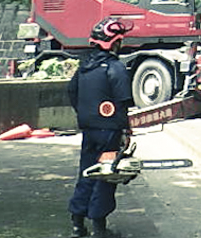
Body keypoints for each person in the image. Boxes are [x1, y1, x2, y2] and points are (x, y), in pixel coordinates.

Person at [68, 17, 135, 238]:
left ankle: (78, 224)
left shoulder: (84, 67)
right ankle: (99, 227)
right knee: (106, 176)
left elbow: (72, 91)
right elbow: (123, 103)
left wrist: (85, 114)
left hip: (89, 129)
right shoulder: (115, 67)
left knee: (86, 172)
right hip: (109, 132)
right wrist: (125, 131)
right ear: (115, 42)